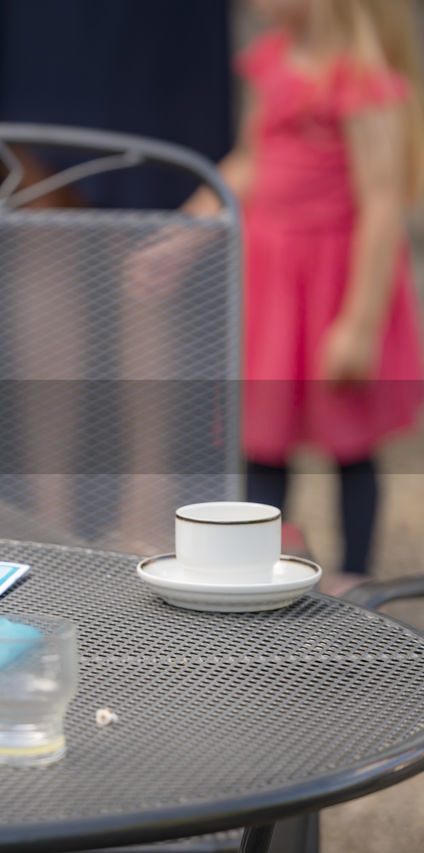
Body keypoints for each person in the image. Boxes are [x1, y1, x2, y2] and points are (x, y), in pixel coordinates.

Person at [156, 0, 424, 594]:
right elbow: (252, 160)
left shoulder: (360, 84)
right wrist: (188, 231)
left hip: (334, 284)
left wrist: (360, 320)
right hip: (274, 286)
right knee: (263, 433)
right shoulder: (271, 61)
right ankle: (259, 567)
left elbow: (383, 203)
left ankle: (356, 581)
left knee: (350, 440)